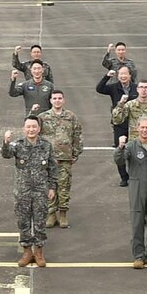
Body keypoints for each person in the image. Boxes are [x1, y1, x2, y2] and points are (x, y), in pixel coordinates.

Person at [113, 117, 147, 269]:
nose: (145, 130)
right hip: (136, 187)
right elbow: (118, 160)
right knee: (137, 222)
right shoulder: (131, 146)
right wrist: (120, 146)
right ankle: (138, 256)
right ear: (137, 128)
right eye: (142, 127)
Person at [2, 117, 58, 267]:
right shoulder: (18, 145)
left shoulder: (46, 145)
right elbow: (6, 154)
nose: (31, 129)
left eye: (34, 127)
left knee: (40, 222)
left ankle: (39, 252)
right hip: (23, 191)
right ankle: (27, 251)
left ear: (39, 129)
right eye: (28, 127)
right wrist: (6, 142)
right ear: (24, 129)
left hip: (41, 191)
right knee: (24, 222)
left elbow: (53, 167)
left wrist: (52, 187)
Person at [39, 90, 83, 229]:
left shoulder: (71, 116)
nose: (57, 101)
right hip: (48, 158)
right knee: (49, 186)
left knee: (64, 186)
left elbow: (77, 134)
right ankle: (51, 214)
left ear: (63, 100)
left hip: (65, 158)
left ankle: (63, 213)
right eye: (54, 98)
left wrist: (76, 152)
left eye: (59, 98)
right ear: (50, 101)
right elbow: (36, 135)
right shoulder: (42, 117)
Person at [96, 65, 138, 187]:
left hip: (134, 124)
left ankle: (134, 175)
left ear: (130, 75)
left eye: (125, 74)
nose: (123, 76)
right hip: (119, 124)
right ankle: (124, 177)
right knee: (120, 150)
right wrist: (107, 76)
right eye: (121, 74)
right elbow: (99, 89)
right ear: (118, 76)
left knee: (135, 150)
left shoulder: (136, 88)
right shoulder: (114, 87)